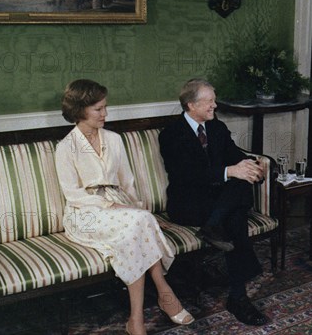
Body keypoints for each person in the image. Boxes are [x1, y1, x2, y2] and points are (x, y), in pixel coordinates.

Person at [55, 79, 194, 335]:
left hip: (121, 208)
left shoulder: (115, 140)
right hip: (85, 214)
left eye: (105, 107)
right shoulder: (65, 148)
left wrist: (139, 211)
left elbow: (127, 183)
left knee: (135, 230)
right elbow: (73, 195)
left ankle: (136, 319)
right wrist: (115, 206)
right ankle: (164, 292)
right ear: (80, 109)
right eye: (98, 109)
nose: (105, 114)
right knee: (139, 225)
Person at [159, 78, 269, 326]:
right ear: (191, 105)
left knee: (238, 192)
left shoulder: (217, 128)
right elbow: (186, 175)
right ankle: (238, 298)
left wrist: (252, 167)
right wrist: (231, 171)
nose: (215, 106)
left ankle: (213, 226)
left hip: (216, 203)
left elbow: (235, 156)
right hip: (187, 203)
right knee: (236, 210)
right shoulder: (171, 134)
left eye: (214, 100)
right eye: (209, 101)